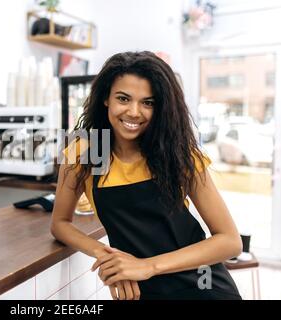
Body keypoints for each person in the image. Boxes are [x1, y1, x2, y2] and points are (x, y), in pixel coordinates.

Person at [50, 51, 242, 300]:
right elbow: (60, 224)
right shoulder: (85, 150)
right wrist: (112, 259)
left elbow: (230, 241)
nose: (134, 112)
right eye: (123, 98)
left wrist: (147, 266)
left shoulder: (177, 153)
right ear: (106, 98)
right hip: (138, 290)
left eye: (148, 102)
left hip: (203, 285)